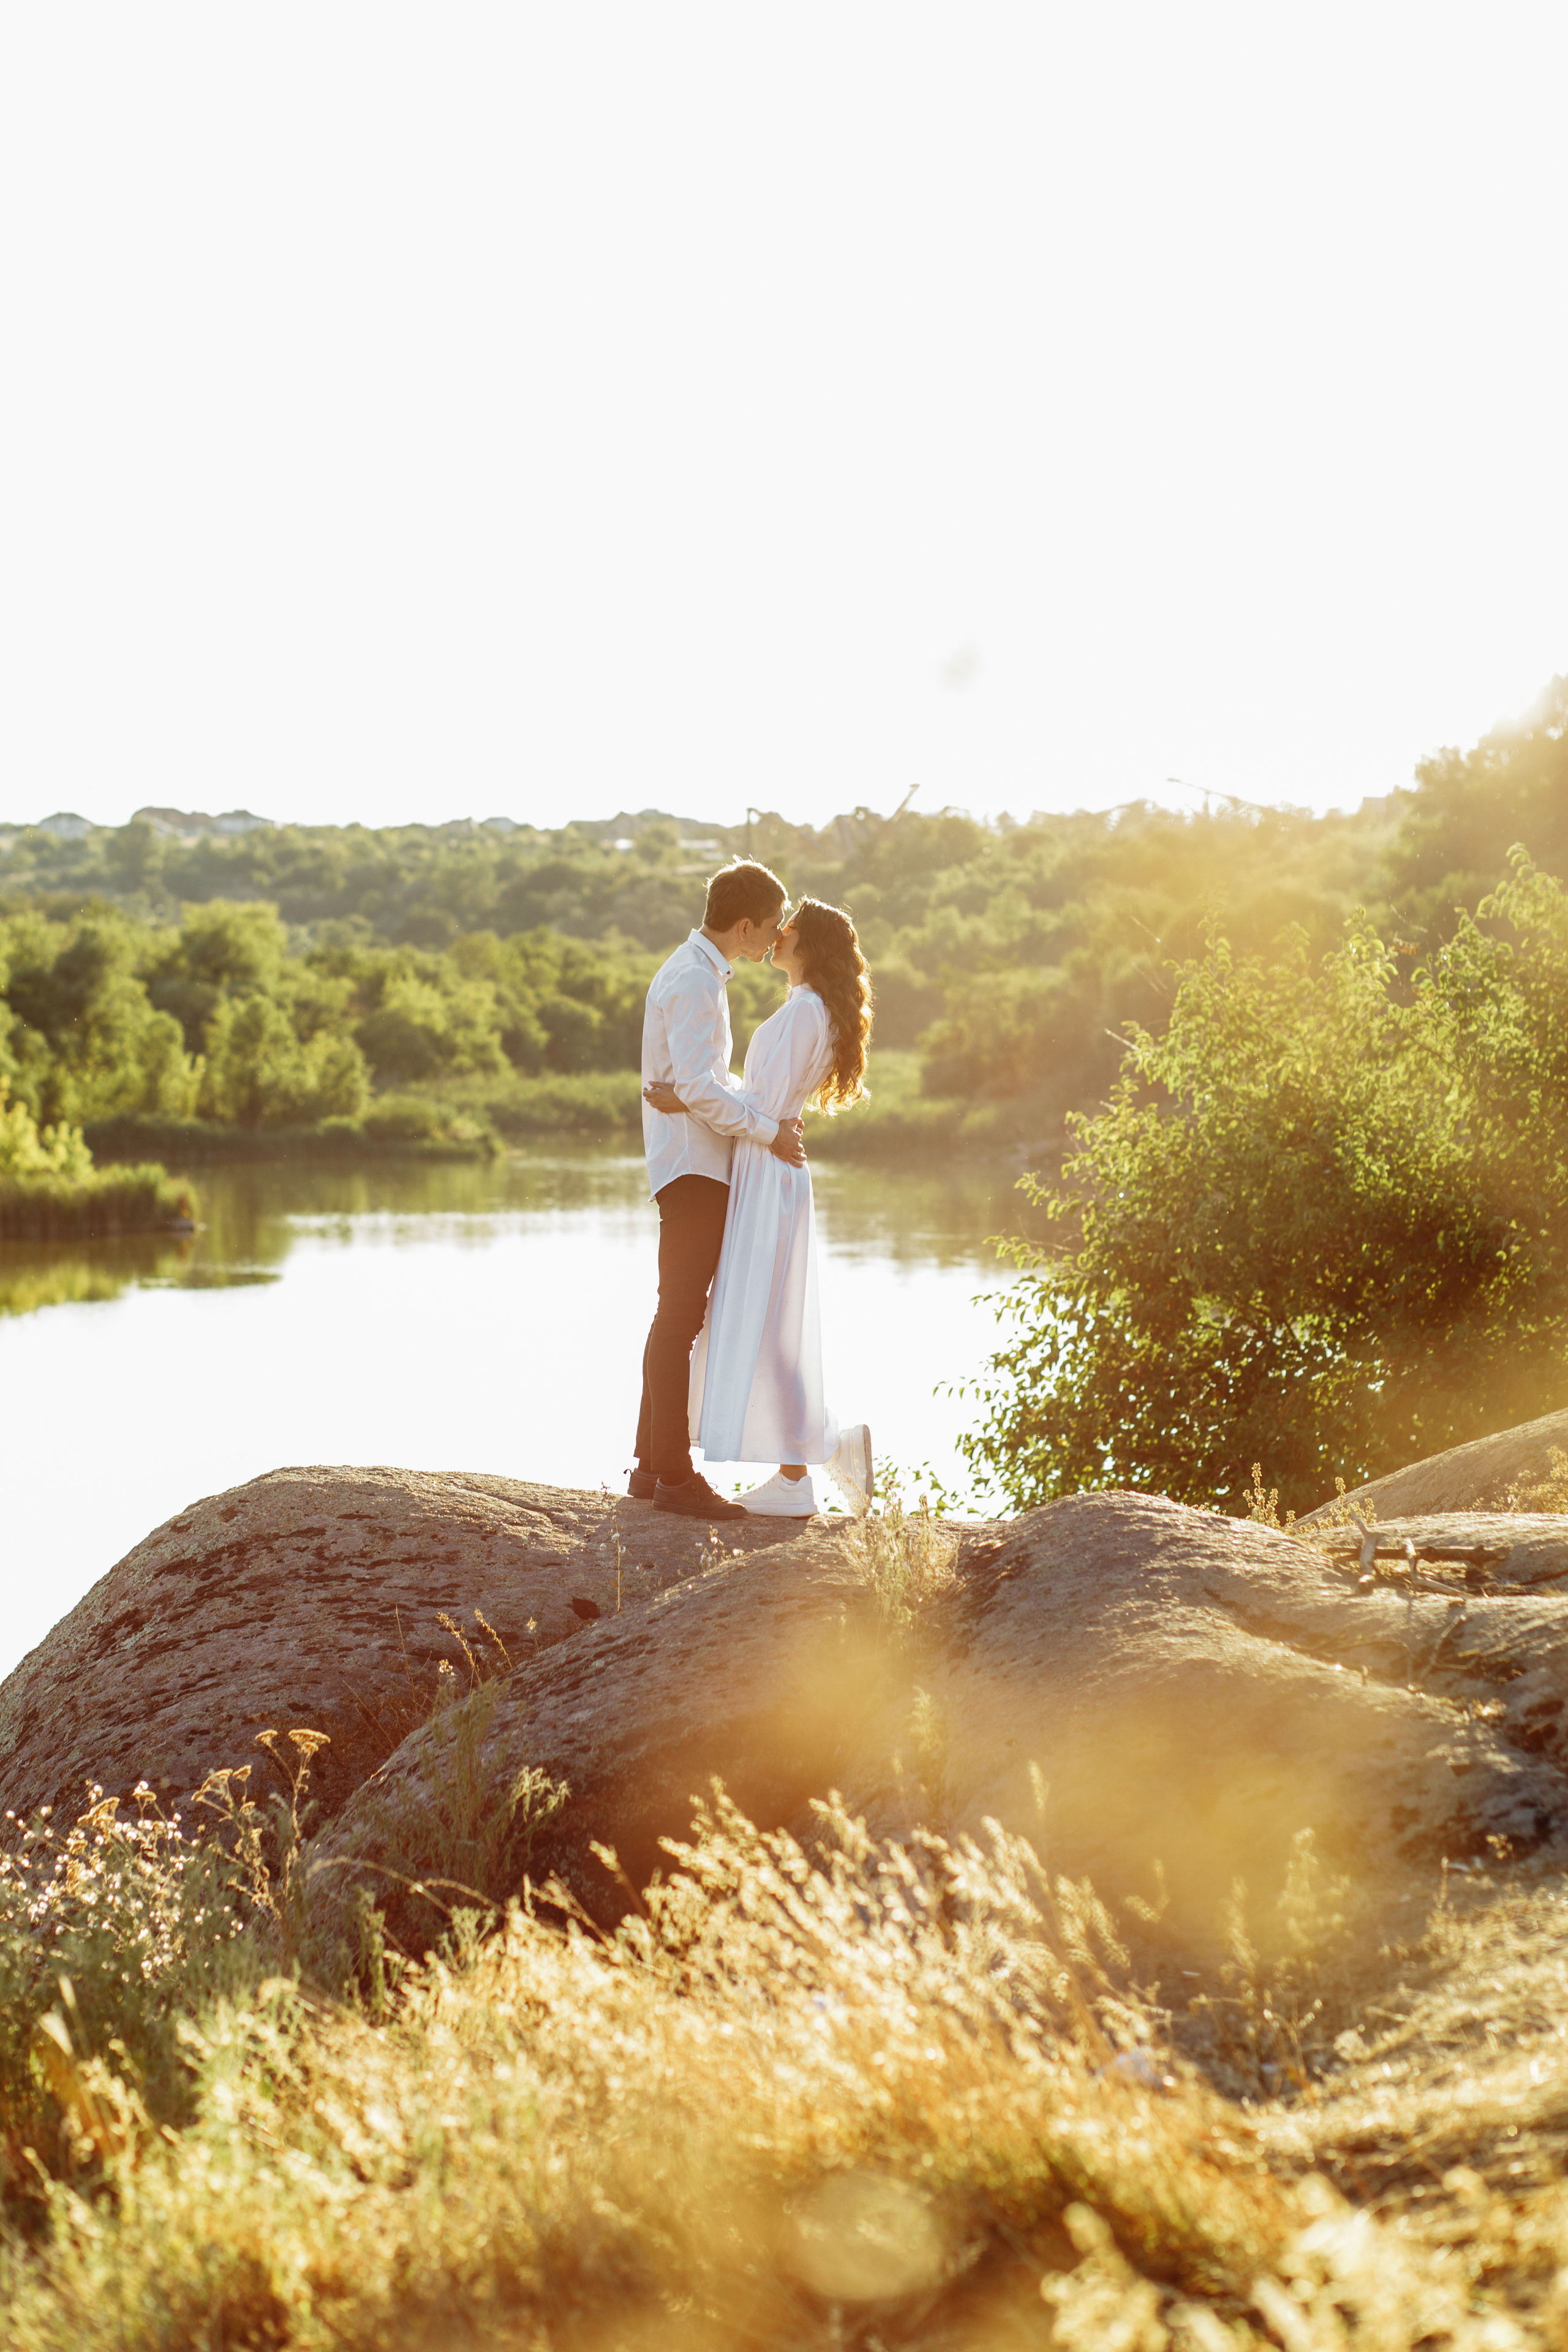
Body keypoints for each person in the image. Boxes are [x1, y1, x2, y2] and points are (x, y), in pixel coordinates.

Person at [643, 897, 873, 1519]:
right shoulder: (810, 1010)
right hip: (769, 1164)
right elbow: (761, 1100)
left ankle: (808, 1465)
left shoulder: (803, 1013)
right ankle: (813, 1456)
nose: (776, 934)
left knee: (774, 1320)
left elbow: (760, 1106)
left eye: (787, 928)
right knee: (772, 1319)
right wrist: (697, 1100)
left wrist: (687, 1101)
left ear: (807, 944)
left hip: (768, 1167)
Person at [629, 859, 807, 1520]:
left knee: (678, 1315)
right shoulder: (695, 980)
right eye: (769, 928)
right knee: (678, 1317)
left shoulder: (698, 971)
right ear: (743, 925)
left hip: (694, 1161)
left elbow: (697, 1082)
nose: (775, 938)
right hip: (693, 1167)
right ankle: (672, 1476)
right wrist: (766, 1129)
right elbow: (702, 1086)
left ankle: (652, 1470)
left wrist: (698, 1093)